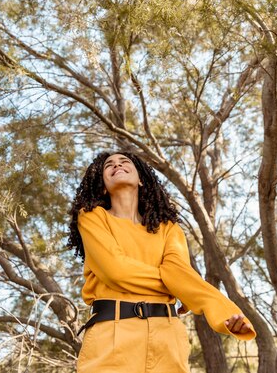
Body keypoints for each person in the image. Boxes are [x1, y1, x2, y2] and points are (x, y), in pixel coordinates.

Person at [68, 151, 255, 372]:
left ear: (140, 179)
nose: (117, 165)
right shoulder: (92, 217)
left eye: (124, 161)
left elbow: (180, 274)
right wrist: (176, 286)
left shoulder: (169, 228)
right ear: (102, 185)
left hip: (167, 339)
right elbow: (116, 271)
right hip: (111, 338)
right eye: (109, 165)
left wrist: (222, 311)